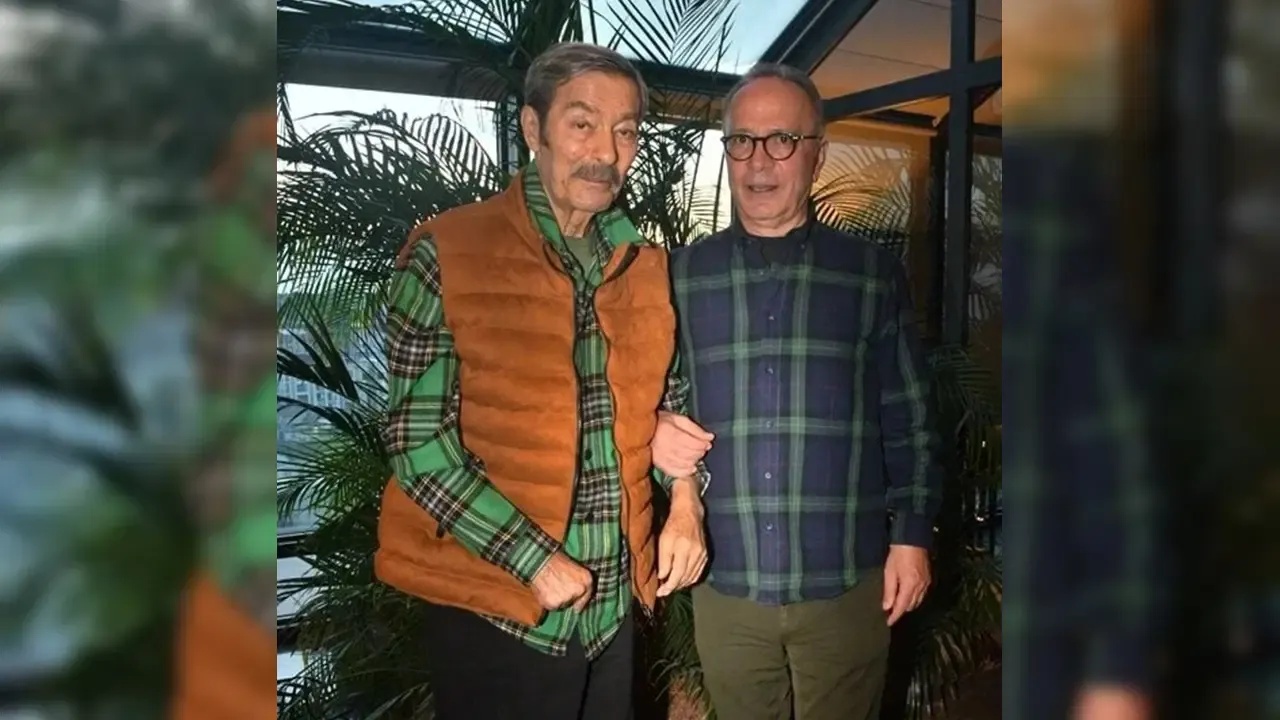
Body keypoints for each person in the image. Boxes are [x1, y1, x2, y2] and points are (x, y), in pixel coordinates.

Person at [373, 42, 709, 720]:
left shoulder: (644, 265)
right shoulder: (449, 252)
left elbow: (667, 405)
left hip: (613, 611)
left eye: (625, 131)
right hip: (498, 608)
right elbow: (417, 444)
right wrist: (533, 560)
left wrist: (685, 504)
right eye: (583, 124)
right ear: (534, 128)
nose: (606, 151)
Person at [650, 63, 944, 720]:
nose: (759, 160)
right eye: (742, 141)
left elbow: (909, 419)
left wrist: (912, 536)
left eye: (782, 139)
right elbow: (647, 401)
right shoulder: (679, 277)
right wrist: (655, 432)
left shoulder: (871, 275)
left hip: (846, 579)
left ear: (817, 154)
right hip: (726, 579)